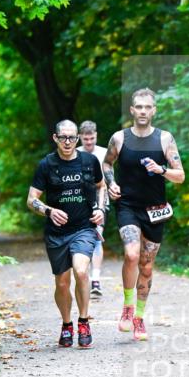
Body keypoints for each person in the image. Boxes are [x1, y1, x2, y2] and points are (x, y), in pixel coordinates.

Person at [103, 88, 185, 340]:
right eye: (138, 107)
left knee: (146, 267)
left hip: (155, 210)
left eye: (147, 107)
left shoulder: (165, 139)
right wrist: (111, 183)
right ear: (132, 110)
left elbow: (180, 175)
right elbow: (107, 163)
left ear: (154, 111)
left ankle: (139, 318)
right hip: (127, 205)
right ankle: (127, 308)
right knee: (131, 253)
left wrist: (162, 170)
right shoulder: (119, 138)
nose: (143, 111)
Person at [27, 120, 106, 348]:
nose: (68, 142)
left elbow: (101, 186)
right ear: (56, 138)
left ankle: (84, 321)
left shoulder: (89, 161)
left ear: (77, 138)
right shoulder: (47, 164)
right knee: (62, 283)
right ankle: (66, 324)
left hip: (83, 228)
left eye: (72, 137)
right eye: (63, 137)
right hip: (57, 233)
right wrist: (49, 211)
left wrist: (100, 209)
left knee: (81, 271)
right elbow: (31, 199)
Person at [79, 120, 109, 298]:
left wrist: (102, 205)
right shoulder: (74, 153)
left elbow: (109, 178)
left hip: (101, 200)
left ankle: (95, 281)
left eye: (91, 139)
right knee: (83, 239)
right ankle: (82, 276)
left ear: (96, 136)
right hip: (79, 202)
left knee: (97, 238)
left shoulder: (104, 153)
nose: (89, 142)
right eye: (86, 139)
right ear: (80, 137)